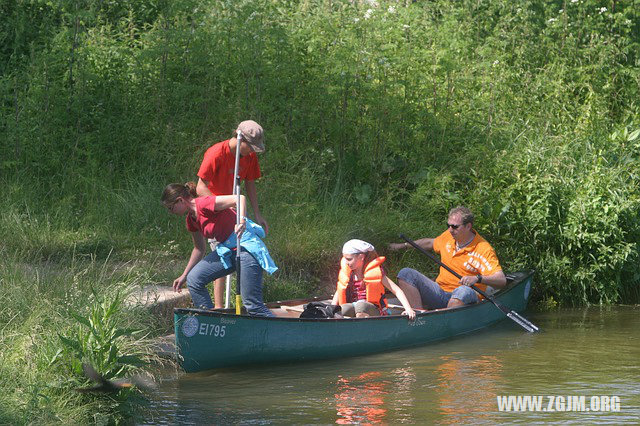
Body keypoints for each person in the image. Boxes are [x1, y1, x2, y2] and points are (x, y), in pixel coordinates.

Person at [162, 182, 277, 317]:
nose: (170, 212)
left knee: (252, 305)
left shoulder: (204, 203)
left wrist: (241, 221)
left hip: (245, 247)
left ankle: (281, 332)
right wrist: (184, 275)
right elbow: (199, 249)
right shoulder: (191, 220)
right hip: (227, 252)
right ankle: (211, 321)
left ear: (180, 200)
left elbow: (239, 198)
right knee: (194, 280)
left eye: (170, 208)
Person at [196, 120, 269, 308]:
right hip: (216, 212)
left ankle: (243, 304)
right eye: (251, 147)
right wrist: (224, 206)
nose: (253, 152)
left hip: (236, 211)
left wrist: (258, 214)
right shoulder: (215, 154)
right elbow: (200, 187)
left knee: (240, 251)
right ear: (240, 139)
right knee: (221, 256)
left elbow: (250, 183)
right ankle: (219, 308)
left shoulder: (249, 157)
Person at [389, 206, 506, 310]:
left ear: (468, 226)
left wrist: (477, 278)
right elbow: (430, 243)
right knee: (406, 274)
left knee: (463, 290)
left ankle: (443, 319)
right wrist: (401, 246)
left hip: (464, 297)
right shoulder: (449, 236)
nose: (450, 230)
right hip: (440, 292)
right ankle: (418, 317)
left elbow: (501, 280)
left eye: (455, 226)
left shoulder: (483, 249)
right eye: (448, 225)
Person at [331, 239, 416, 320]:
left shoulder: (375, 273)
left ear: (361, 257)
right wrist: (332, 309)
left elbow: (397, 290)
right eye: (345, 258)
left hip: (375, 309)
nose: (346, 262)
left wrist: (408, 309)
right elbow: (339, 291)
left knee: (361, 306)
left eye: (349, 259)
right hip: (356, 307)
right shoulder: (349, 274)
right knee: (343, 309)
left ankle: (362, 329)